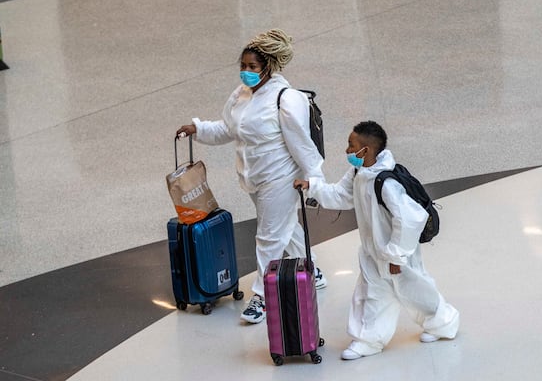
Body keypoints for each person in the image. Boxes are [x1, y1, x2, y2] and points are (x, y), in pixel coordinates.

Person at [176, 29, 327, 324]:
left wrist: (314, 178)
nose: (245, 72)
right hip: (253, 175)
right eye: (243, 66)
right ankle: (312, 268)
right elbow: (229, 129)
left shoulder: (286, 99)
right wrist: (199, 129)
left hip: (280, 177)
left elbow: (302, 144)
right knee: (284, 225)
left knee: (268, 235)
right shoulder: (242, 94)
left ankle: (262, 295)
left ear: (268, 67)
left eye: (252, 67)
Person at [294, 120, 459, 360]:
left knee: (416, 291)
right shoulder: (359, 172)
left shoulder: (387, 183)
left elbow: (411, 219)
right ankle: (368, 340)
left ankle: (443, 322)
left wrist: (395, 256)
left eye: (351, 145)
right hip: (373, 252)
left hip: (396, 254)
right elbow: (341, 195)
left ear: (366, 150)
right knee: (372, 295)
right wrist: (312, 187)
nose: (347, 150)